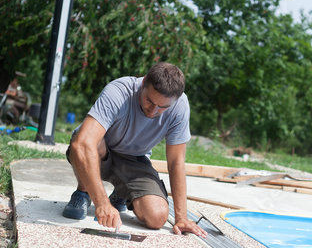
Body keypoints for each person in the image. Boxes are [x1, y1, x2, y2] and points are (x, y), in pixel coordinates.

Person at [63, 62, 207, 238]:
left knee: (157, 217)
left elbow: (176, 162)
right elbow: (83, 144)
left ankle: (121, 193)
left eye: (163, 107)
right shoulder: (119, 92)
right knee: (89, 141)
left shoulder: (180, 106)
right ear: (144, 82)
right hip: (101, 149)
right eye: (150, 101)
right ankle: (82, 192)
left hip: (135, 160)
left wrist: (181, 217)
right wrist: (101, 203)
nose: (153, 111)